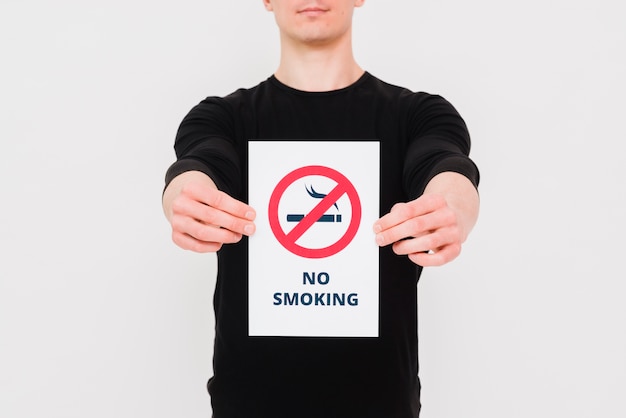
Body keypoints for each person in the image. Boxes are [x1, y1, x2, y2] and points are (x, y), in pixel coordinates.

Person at [162, 1, 480, 416]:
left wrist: (455, 205)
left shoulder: (417, 115)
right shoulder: (222, 118)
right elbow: (199, 164)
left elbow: (445, 165)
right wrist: (183, 199)